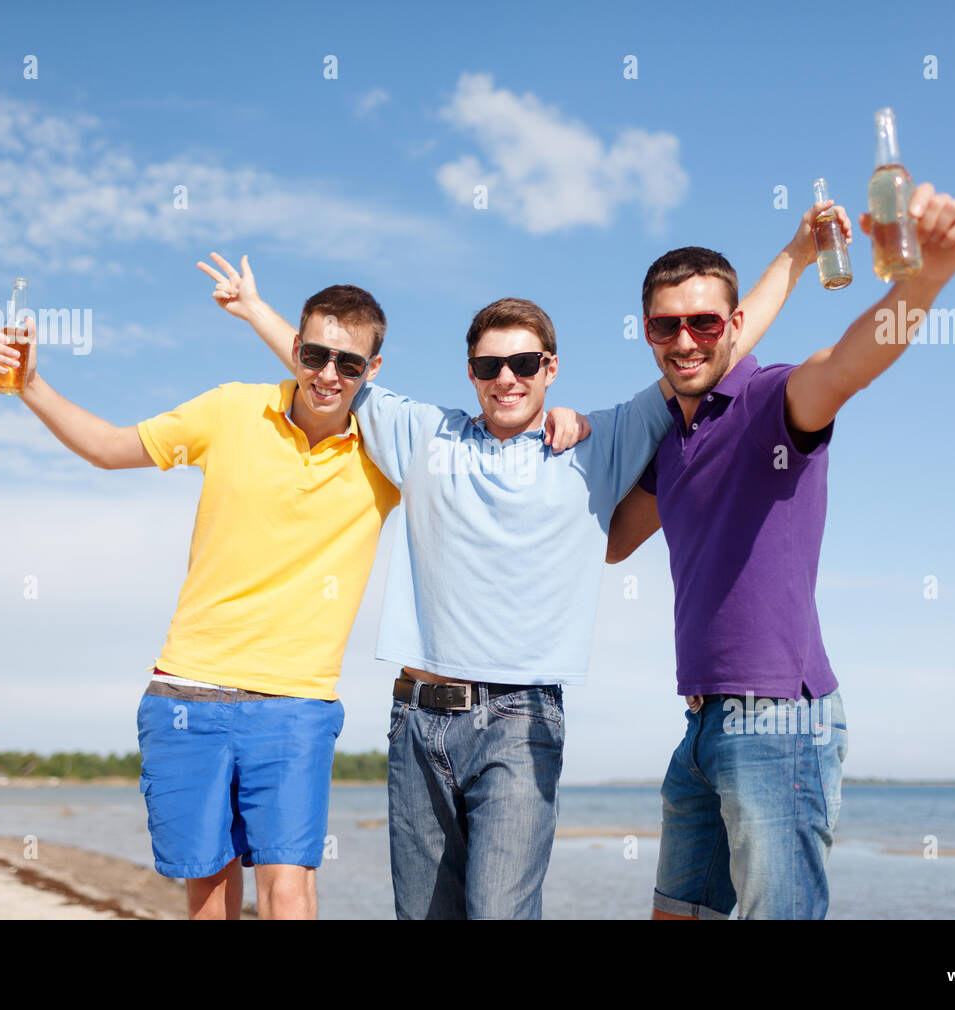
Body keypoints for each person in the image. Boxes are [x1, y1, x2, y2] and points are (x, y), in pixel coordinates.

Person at [199, 198, 843, 918]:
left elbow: (705, 339)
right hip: (417, 720)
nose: (507, 378)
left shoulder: (604, 439)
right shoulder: (424, 434)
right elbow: (331, 369)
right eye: (489, 365)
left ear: (550, 368)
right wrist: (256, 310)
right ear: (470, 372)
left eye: (524, 364)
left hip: (521, 720)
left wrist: (795, 256)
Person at [607, 182, 955, 919]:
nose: (686, 340)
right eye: (666, 326)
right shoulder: (670, 447)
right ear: (647, 332)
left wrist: (928, 277)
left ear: (734, 325)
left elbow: (848, 362)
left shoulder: (771, 404)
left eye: (705, 323)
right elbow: (613, 540)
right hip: (703, 723)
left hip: (780, 721)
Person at [0, 285, 406, 919]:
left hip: (295, 705)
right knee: (209, 897)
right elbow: (108, 447)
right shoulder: (231, 410)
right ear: (296, 349)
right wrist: (31, 384)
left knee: (290, 889)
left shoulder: (386, 452)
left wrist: (572, 428)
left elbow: (482, 455)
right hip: (187, 694)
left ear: (371, 371)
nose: (328, 375)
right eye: (316, 355)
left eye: (348, 364)